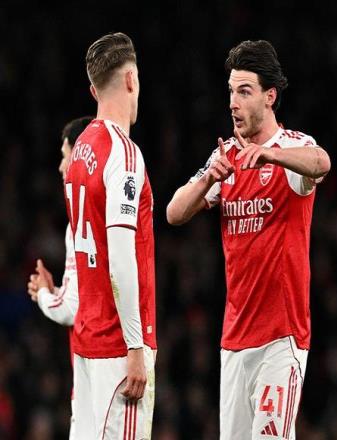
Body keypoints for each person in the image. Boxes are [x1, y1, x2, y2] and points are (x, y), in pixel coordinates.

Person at [167, 40, 330, 439]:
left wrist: (271, 156)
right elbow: (173, 213)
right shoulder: (225, 157)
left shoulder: (292, 148)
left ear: (269, 96)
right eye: (230, 92)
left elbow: (321, 162)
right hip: (235, 339)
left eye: (244, 92)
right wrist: (209, 178)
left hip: (282, 339)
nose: (233, 103)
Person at [64, 32, 156, 439]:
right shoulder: (124, 153)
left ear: (93, 90)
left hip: (87, 340)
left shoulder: (80, 149)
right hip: (117, 345)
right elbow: (119, 256)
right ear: (132, 79)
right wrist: (135, 345)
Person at [27, 115, 92, 439]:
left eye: (66, 156)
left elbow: (71, 310)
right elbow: (83, 298)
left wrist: (43, 294)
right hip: (96, 366)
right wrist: (57, 291)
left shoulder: (82, 222)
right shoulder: (88, 214)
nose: (61, 166)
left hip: (98, 366)